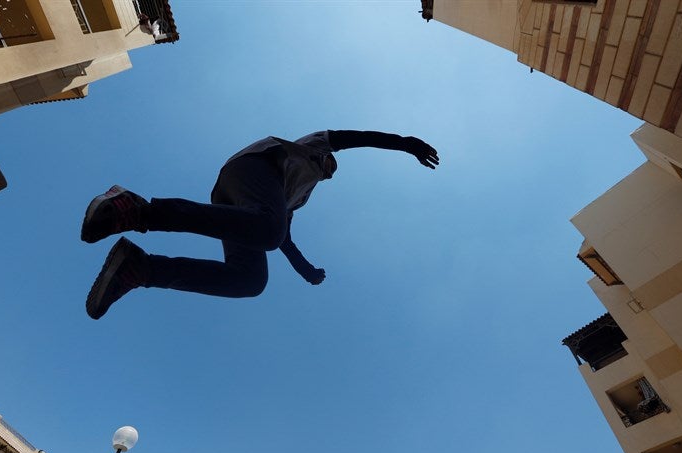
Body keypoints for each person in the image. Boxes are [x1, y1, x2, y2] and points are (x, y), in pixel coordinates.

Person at [82, 130, 439, 319]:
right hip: (253, 168)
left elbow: (283, 237)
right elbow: (357, 138)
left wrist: (305, 269)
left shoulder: (301, 194)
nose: (329, 170)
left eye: (331, 172)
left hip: (240, 204)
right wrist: (404, 143)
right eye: (330, 164)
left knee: (251, 280)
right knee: (270, 228)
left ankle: (140, 269)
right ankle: (139, 210)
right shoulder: (311, 147)